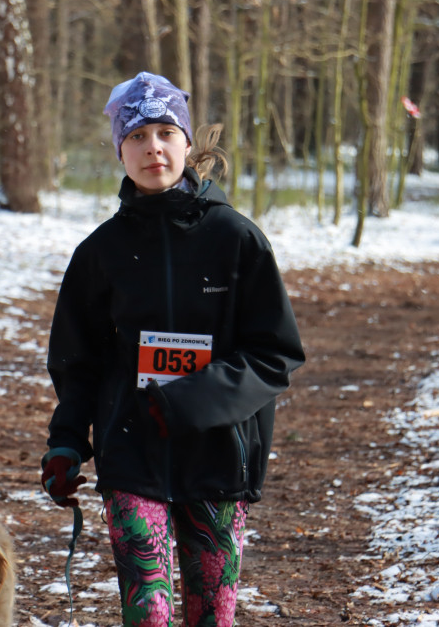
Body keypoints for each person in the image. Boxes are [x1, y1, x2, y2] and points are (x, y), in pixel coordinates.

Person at [40, 71, 305, 626]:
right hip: (130, 454)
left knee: (211, 615)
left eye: (164, 131)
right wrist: (66, 442)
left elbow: (275, 354)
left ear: (188, 142)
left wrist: (191, 400)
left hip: (218, 456)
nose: (152, 147)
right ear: (120, 150)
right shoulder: (100, 252)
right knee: (150, 616)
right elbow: (77, 363)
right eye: (136, 136)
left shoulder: (236, 239)